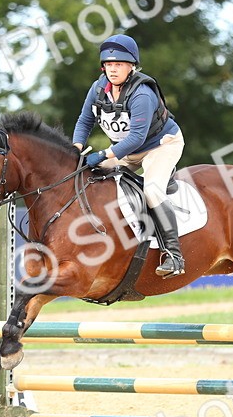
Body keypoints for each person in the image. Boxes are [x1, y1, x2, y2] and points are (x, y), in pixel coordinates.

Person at [72, 33, 186, 278]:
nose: (113, 70)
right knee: (88, 176)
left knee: (152, 190)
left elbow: (136, 138)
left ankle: (174, 256)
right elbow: (84, 121)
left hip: (160, 146)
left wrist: (103, 154)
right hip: (126, 149)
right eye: (109, 64)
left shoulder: (141, 94)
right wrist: (77, 147)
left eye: (119, 64)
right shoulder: (98, 88)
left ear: (132, 66)